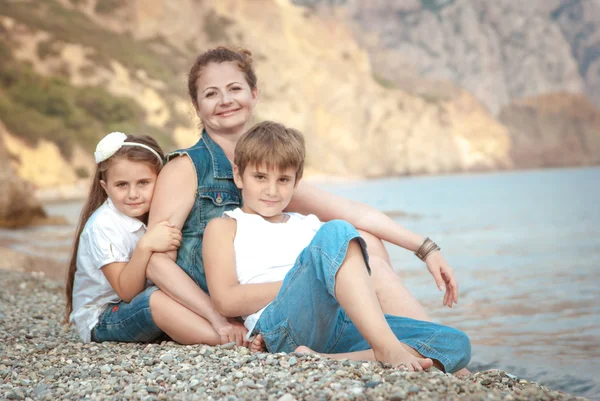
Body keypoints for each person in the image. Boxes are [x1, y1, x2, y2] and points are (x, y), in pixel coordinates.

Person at [145, 46, 461, 353]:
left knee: (367, 242)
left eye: (234, 89)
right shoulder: (186, 167)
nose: (225, 100)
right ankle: (399, 346)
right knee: (352, 251)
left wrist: (425, 249)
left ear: (254, 94)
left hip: (285, 297)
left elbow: (353, 212)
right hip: (225, 301)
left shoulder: (271, 166)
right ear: (196, 105)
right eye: (211, 93)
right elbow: (157, 262)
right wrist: (216, 317)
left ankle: (400, 344)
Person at [202, 121, 471, 373]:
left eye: (283, 180)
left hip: (336, 325)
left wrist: (426, 249)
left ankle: (330, 359)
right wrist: (312, 279)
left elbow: (359, 228)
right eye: (260, 177)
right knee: (339, 229)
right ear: (238, 175)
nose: (272, 190)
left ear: (297, 181)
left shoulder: (307, 224)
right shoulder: (227, 227)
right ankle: (388, 350)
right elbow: (226, 301)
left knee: (455, 342)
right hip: (281, 326)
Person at [65, 132, 223, 345]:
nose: (133, 194)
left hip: (134, 305)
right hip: (103, 318)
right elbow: (127, 292)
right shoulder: (102, 225)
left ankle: (222, 327)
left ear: (161, 180)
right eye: (122, 185)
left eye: (143, 183)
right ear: (105, 187)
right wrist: (145, 246)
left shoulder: (156, 213)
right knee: (155, 301)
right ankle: (227, 338)